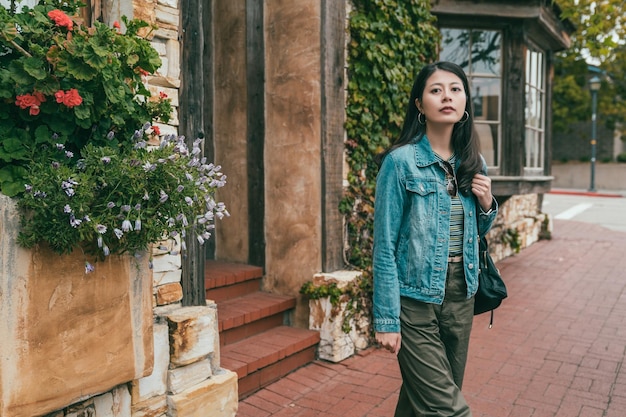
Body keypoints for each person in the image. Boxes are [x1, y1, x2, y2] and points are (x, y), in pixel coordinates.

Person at [372, 61, 498, 417]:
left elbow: (472, 235)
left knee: (422, 402)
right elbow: (384, 246)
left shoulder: (475, 162)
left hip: (461, 295)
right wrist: (386, 318)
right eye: (436, 89)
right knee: (450, 409)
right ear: (419, 104)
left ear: (465, 103)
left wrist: (487, 205)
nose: (447, 96)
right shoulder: (400, 163)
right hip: (414, 298)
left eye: (455, 89)